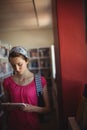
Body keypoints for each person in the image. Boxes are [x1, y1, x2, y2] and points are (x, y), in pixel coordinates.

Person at [2, 46, 50, 130]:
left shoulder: (39, 80)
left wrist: (32, 108)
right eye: (13, 65)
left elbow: (47, 109)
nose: (16, 68)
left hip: (33, 125)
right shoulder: (7, 82)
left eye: (20, 64)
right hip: (12, 125)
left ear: (27, 61)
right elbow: (7, 107)